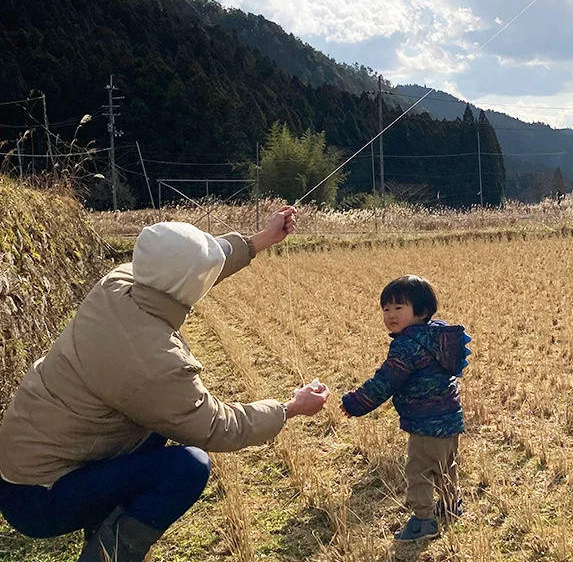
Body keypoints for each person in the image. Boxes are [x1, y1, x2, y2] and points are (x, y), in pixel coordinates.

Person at [0, 206, 331, 562]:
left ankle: (101, 526)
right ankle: (107, 555)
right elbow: (219, 427)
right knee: (188, 465)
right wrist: (290, 408)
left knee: (154, 431)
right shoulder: (154, 363)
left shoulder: (119, 283)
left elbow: (184, 270)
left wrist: (261, 240)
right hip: (38, 498)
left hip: (24, 463)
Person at [340, 275, 471, 542]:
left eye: (399, 308)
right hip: (450, 416)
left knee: (419, 472)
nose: (390, 315)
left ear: (421, 311)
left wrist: (356, 403)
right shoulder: (437, 336)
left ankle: (424, 521)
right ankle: (450, 505)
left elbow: (385, 382)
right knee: (446, 465)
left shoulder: (406, 346)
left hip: (425, 423)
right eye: (386, 309)